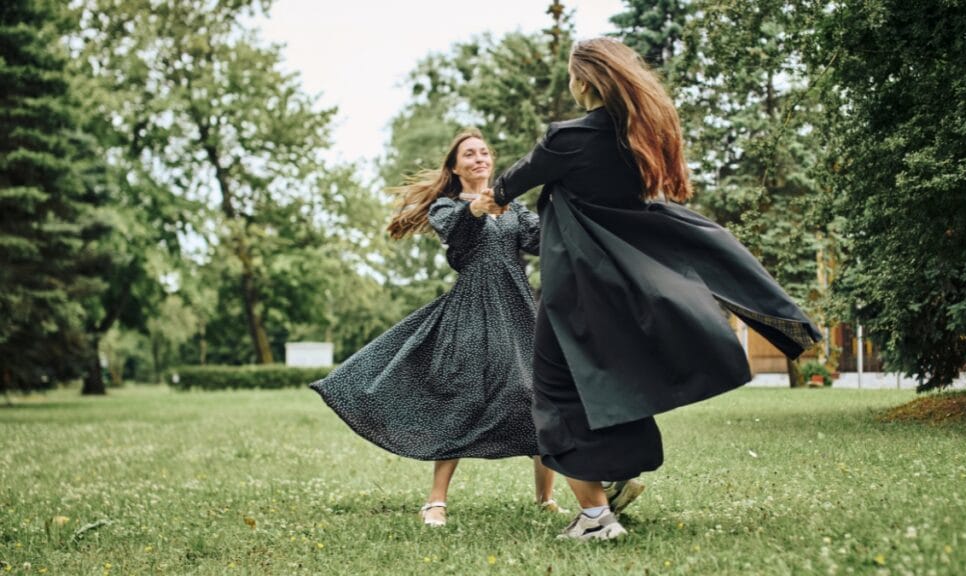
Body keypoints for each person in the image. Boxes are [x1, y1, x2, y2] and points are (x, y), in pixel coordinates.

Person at [479, 38, 822, 540]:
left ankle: (595, 519)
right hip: (622, 291)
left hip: (573, 294)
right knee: (610, 385)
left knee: (553, 397)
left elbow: (514, 181)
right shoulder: (637, 137)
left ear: (585, 81)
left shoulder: (566, 139)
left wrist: (489, 200)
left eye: (572, 76)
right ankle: (616, 484)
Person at [311, 128, 562, 527]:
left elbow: (541, 239)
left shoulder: (513, 208)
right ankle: (435, 501)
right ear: (455, 166)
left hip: (517, 308)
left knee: (537, 394)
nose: (479, 158)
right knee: (462, 396)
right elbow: (459, 237)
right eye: (469, 154)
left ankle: (546, 498)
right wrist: (477, 209)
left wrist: (566, 204)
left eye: (484, 152)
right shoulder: (446, 208)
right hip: (471, 309)